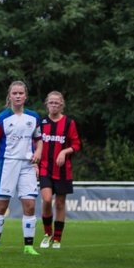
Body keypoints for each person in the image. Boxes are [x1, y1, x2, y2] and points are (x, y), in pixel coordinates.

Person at [0, 80, 43, 257]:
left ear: (25, 96)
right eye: (14, 93)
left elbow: (39, 139)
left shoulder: (33, 117)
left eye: (21, 93)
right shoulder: (1, 118)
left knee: (30, 205)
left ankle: (29, 247)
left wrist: (38, 152)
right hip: (7, 164)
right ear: (9, 96)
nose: (17, 96)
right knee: (1, 205)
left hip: (27, 165)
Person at [37, 91, 80, 248]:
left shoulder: (69, 123)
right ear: (47, 104)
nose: (54, 105)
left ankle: (57, 238)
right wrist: (35, 163)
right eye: (51, 102)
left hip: (63, 170)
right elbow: (34, 145)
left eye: (57, 103)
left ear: (61, 105)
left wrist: (64, 151)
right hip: (45, 169)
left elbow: (76, 145)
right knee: (47, 199)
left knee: (60, 204)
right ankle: (47, 234)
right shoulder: (41, 123)